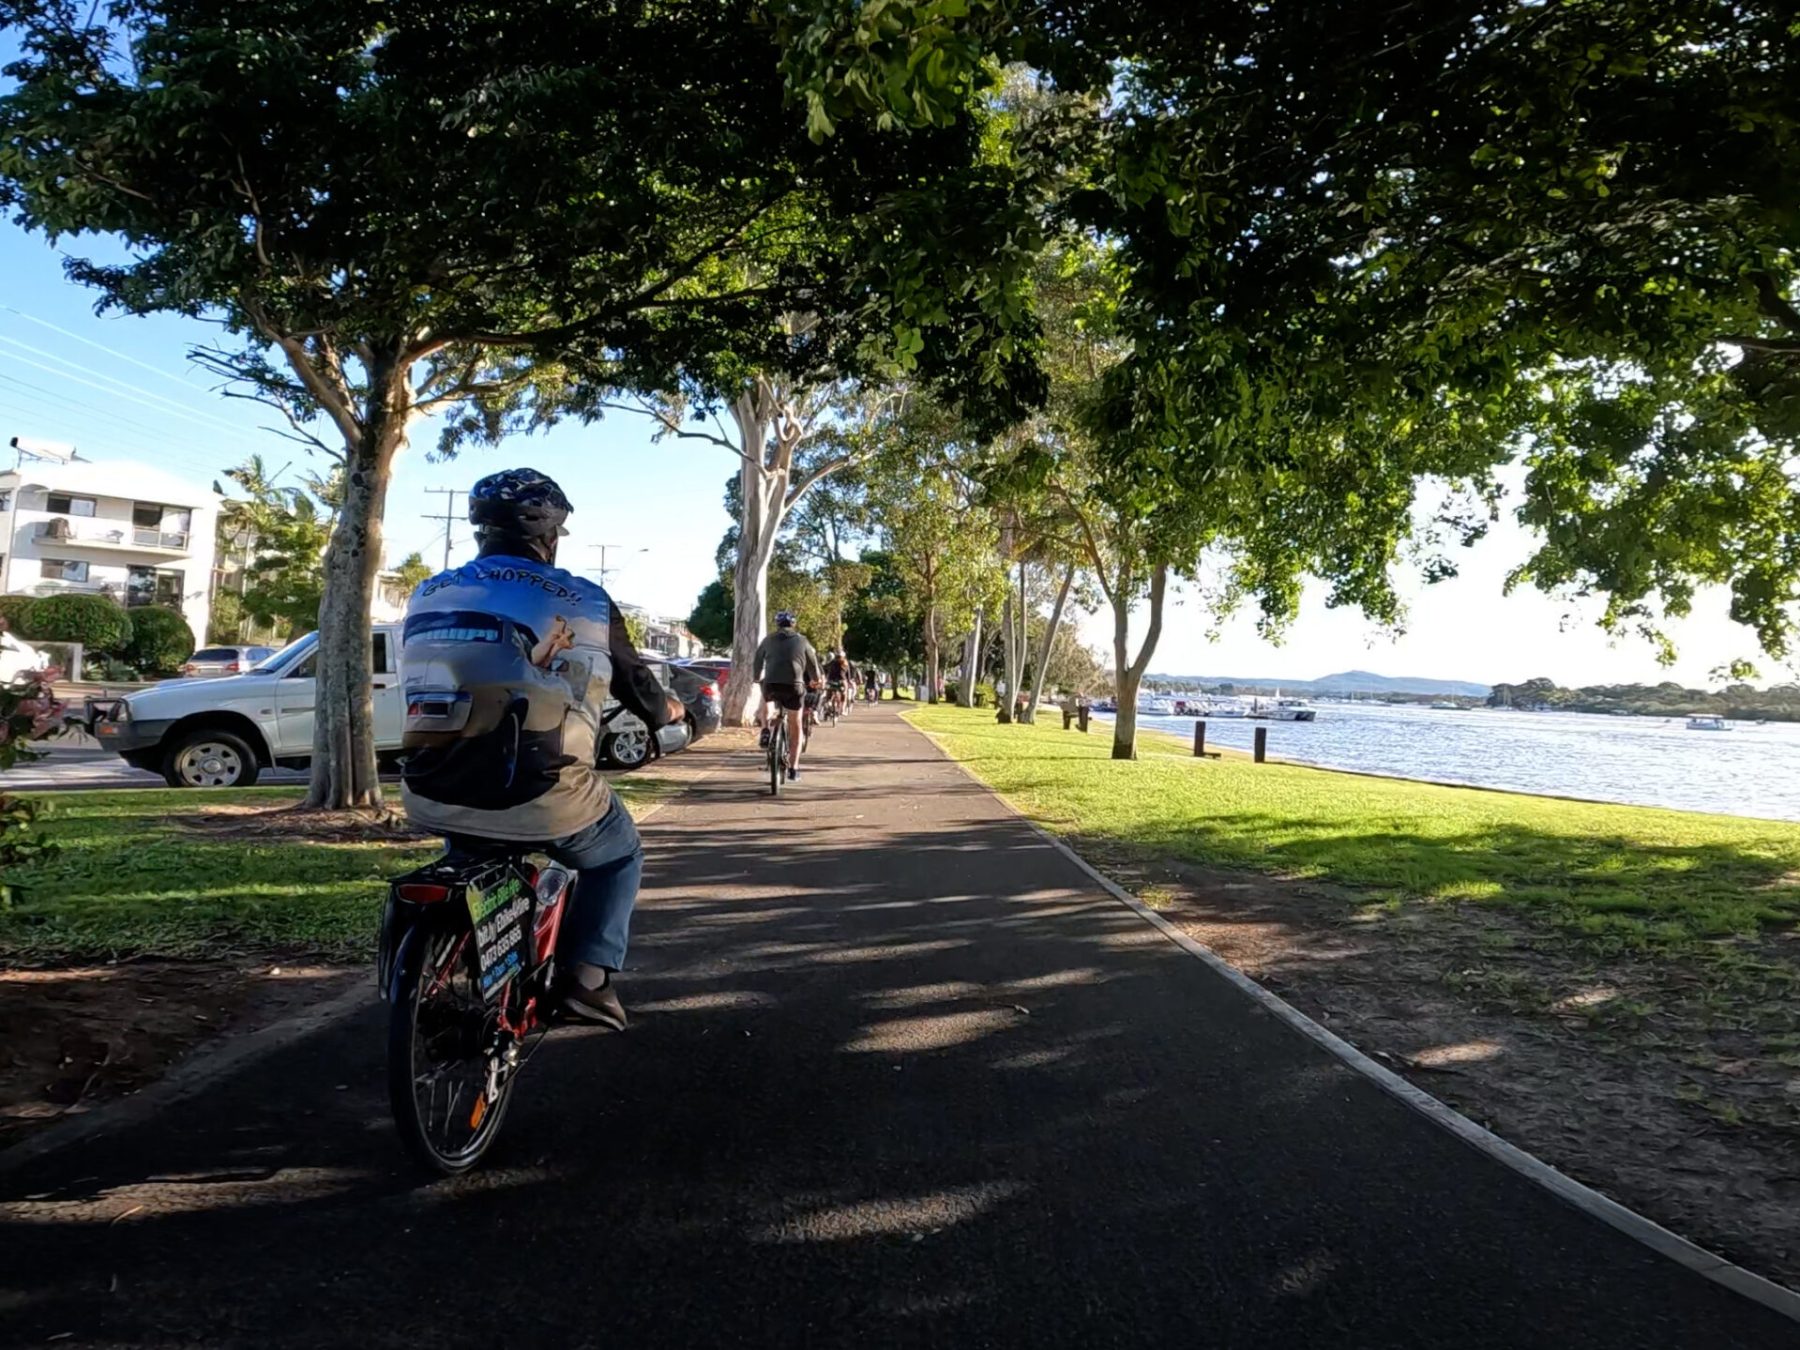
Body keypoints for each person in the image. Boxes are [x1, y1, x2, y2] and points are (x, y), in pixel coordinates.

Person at [397, 468, 684, 1031]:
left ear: (480, 529)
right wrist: (671, 713)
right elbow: (638, 687)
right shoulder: (584, 600)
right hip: (543, 794)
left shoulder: (428, 591)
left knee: (476, 836)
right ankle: (588, 979)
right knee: (618, 854)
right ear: (551, 534)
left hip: (428, 788)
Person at [753, 612, 821, 780]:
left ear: (777, 624)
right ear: (793, 624)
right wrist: (816, 680)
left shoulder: (768, 640)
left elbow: (757, 658)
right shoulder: (802, 640)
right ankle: (793, 768)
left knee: (766, 699)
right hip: (795, 687)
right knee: (795, 724)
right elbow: (812, 663)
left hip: (772, 684)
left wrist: (756, 676)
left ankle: (765, 729)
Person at [822, 648, 851, 717]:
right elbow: (848, 674)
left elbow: (824, 668)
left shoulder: (832, 663)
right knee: (844, 694)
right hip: (841, 681)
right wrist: (849, 680)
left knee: (829, 693)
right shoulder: (845, 663)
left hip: (831, 680)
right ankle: (842, 710)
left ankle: (828, 702)